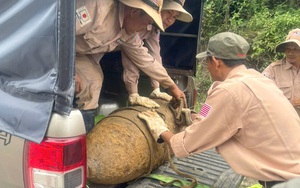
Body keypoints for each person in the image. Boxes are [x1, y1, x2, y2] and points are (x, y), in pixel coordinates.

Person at [138, 32, 300, 188]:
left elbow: (187, 144)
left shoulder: (229, 90)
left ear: (215, 61)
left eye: (206, 62)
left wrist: (159, 129)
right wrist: (193, 116)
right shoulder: (256, 79)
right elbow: (218, 117)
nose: (207, 67)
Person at [75, 0, 187, 132]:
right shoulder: (99, 8)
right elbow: (52, 32)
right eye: (148, 22)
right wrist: (67, 69)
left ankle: (83, 136)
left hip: (79, 55)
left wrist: (171, 86)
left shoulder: (129, 34)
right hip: (54, 52)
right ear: (134, 12)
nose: (146, 27)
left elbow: (146, 60)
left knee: (94, 81)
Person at [121, 0, 193, 108]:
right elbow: (134, 56)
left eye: (175, 17)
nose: (170, 20)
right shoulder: (216, 88)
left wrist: (156, 88)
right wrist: (133, 93)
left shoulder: (216, 90)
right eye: (169, 12)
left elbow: (155, 56)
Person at [262, 28, 300, 116]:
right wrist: (290, 103)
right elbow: (260, 97)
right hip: (282, 122)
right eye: (288, 49)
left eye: (295, 49)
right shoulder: (273, 69)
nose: (290, 53)